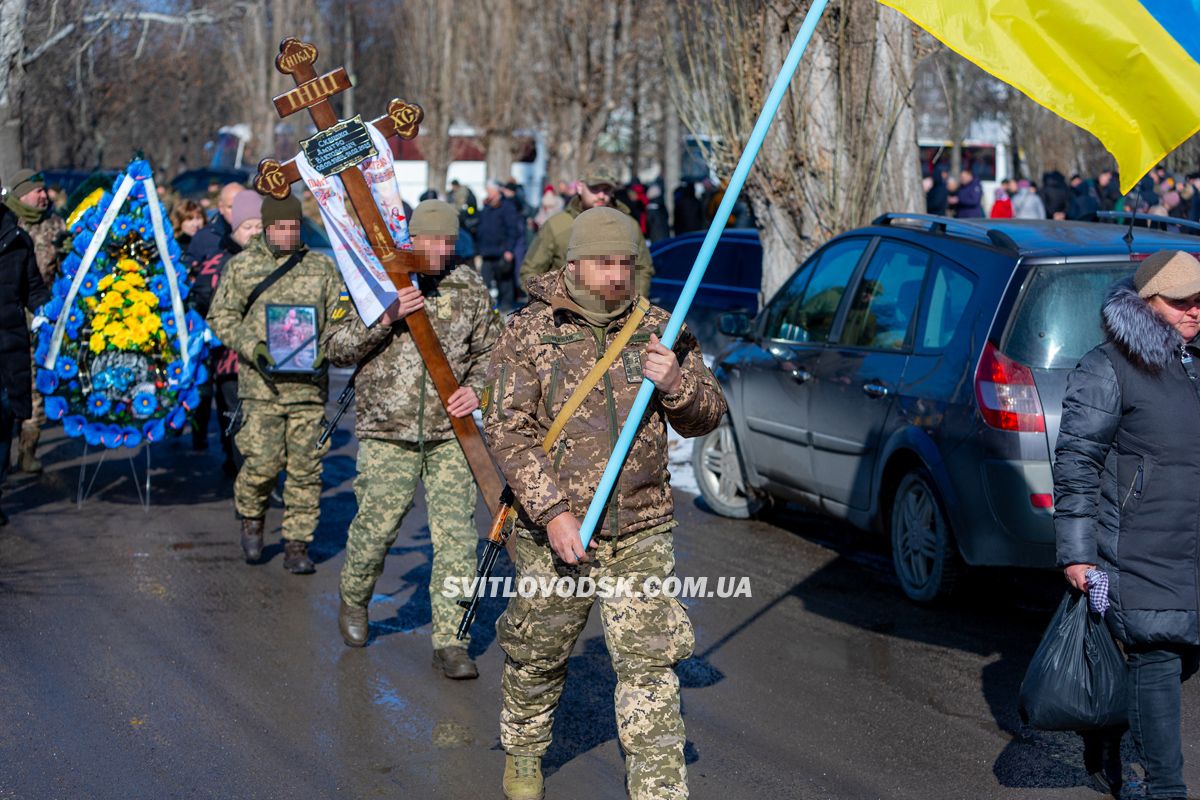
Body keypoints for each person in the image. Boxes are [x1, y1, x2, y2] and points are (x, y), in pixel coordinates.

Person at [485, 207, 727, 800]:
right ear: (572, 265)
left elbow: (708, 415)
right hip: (557, 532)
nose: (617, 275)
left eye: (625, 263)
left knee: (649, 669)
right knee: (537, 656)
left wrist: (677, 384)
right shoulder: (530, 332)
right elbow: (507, 429)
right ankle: (523, 751)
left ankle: (659, 791)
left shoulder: (661, 329)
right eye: (603, 263)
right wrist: (553, 513)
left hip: (641, 527)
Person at [323, 200, 500, 674]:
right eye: (430, 241)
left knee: (457, 537)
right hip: (387, 429)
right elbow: (334, 345)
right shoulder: (375, 280)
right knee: (377, 527)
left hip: (451, 433)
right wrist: (385, 316)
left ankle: (451, 638)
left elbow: (492, 351)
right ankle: (355, 596)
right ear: (411, 239)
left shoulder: (468, 285)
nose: (440, 251)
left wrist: (477, 391)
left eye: (448, 241)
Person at [1054, 249, 1200, 800]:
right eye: (1180, 301)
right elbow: (1076, 463)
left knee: (1180, 654)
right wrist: (1077, 552)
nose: (1193, 311)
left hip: (1192, 543)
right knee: (1158, 653)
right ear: (1146, 303)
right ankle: (1166, 787)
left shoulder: (1196, 360)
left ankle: (1108, 728)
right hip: (1137, 544)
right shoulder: (1107, 367)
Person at [206, 193, 342, 574]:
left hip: (308, 391)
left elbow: (340, 317)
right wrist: (254, 348)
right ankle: (252, 518)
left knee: (305, 470)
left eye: (293, 226)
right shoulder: (243, 267)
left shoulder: (320, 267)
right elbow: (221, 317)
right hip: (262, 387)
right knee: (262, 464)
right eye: (280, 227)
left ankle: (297, 545)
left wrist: (325, 347)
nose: (287, 233)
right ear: (266, 228)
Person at [190, 191, 262, 475]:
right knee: (237, 418)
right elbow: (204, 301)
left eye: (259, 226)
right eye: (248, 227)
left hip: (269, 356)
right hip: (230, 355)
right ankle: (243, 478)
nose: (255, 233)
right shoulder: (217, 262)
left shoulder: (275, 257)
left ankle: (260, 478)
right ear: (235, 227)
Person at [5, 169, 63, 474]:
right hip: (10, 318)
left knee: (35, 387)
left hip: (41, 317)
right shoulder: (8, 225)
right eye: (36, 190)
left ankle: (27, 450)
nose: (44, 196)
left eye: (44, 190)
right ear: (20, 193)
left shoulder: (55, 225)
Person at [519, 165, 654, 297]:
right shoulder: (557, 225)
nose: (601, 195)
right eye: (594, 188)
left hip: (619, 312)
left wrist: (635, 303)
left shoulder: (629, 225)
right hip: (566, 313)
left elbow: (643, 268)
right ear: (579, 187)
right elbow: (530, 271)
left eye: (607, 189)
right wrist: (550, 304)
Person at [0, 179, 50, 520]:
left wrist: (45, 313)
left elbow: (33, 288)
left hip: (8, 344)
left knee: (5, 418)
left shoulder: (17, 240)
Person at [476, 182, 524, 310]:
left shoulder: (507, 206)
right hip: (487, 251)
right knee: (484, 280)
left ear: (497, 191)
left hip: (502, 250)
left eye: (490, 191)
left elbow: (513, 230)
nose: (488, 194)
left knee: (504, 281)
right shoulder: (486, 207)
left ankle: (506, 305)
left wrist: (509, 250)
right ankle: (486, 306)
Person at [187, 182, 244, 273]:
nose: (236, 211)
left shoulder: (259, 233)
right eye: (231, 207)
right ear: (221, 208)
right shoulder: (204, 237)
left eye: (241, 205)